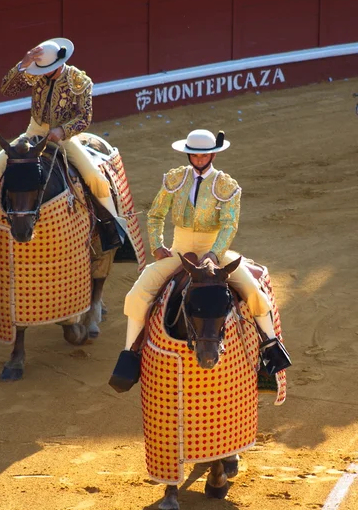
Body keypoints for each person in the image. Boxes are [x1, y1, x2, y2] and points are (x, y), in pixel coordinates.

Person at [113, 128, 291, 380]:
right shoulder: (175, 179)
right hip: (179, 252)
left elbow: (229, 225)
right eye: (194, 155)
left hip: (216, 253)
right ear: (188, 155)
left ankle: (271, 347)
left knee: (252, 290)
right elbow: (155, 214)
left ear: (213, 155)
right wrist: (157, 246)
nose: (198, 160)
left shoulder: (227, 185)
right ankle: (130, 354)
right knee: (138, 292)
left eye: (203, 155)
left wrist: (215, 255)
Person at [0, 37, 120, 222]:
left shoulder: (79, 80)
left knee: (95, 177)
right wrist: (24, 63)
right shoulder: (36, 72)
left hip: (63, 139)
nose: (41, 73)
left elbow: (84, 117)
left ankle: (115, 227)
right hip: (33, 132)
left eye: (46, 70)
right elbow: (7, 89)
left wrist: (62, 131)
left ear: (59, 64)